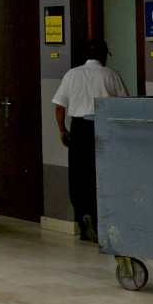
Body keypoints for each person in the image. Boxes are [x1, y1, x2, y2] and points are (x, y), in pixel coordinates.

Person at [52, 39, 127, 242]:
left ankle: (83, 221)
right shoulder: (112, 76)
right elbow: (123, 106)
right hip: (103, 128)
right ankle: (99, 222)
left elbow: (60, 106)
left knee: (79, 175)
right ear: (104, 56)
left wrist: (62, 129)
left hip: (79, 127)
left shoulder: (72, 74)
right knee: (100, 175)